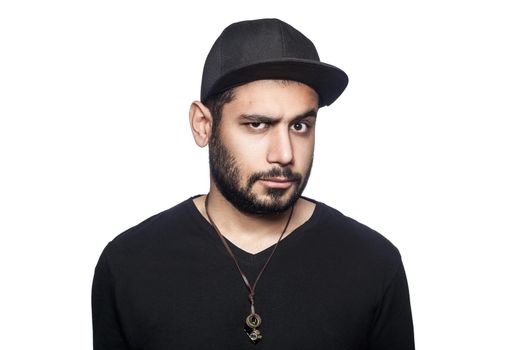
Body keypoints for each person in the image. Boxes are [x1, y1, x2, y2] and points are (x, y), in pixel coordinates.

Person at [92, 18, 415, 350]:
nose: (285, 154)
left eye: (301, 126)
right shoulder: (129, 265)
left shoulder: (373, 264)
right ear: (203, 125)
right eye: (258, 124)